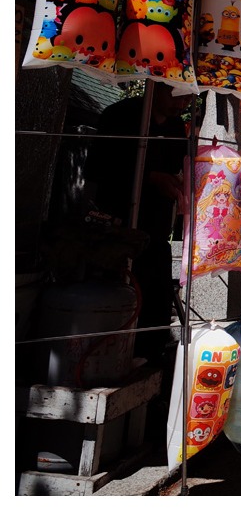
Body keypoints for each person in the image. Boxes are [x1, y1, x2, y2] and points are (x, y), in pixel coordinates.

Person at [85, 82, 192, 366]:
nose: (182, 103)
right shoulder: (119, 115)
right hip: (117, 225)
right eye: (176, 95)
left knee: (155, 300)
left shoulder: (176, 128)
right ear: (155, 87)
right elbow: (99, 170)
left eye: (189, 97)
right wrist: (151, 178)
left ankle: (150, 361)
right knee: (116, 297)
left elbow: (177, 169)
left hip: (155, 230)